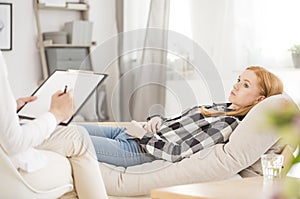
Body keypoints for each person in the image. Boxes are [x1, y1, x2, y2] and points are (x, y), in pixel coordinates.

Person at [81, 66, 283, 167]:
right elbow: (176, 124)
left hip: (137, 149)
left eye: (245, 85)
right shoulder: (223, 108)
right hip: (133, 134)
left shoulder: (229, 123)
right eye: (239, 79)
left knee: (72, 139)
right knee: (68, 128)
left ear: (259, 100)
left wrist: (143, 136)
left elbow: (178, 152)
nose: (236, 85)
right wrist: (157, 119)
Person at [0, 51, 108, 199]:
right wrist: (55, 115)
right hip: (10, 171)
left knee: (79, 135)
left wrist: (9, 109)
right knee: (79, 143)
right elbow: (14, 143)